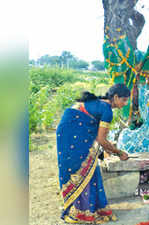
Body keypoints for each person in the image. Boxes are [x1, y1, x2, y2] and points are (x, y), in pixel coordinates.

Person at [56, 83, 130, 224]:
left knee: (90, 167)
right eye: (124, 100)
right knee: (80, 168)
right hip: (72, 134)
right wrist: (119, 152)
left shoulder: (98, 103)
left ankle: (86, 208)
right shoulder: (107, 110)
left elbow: (97, 136)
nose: (125, 104)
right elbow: (101, 139)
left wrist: (110, 149)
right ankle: (79, 211)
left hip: (65, 131)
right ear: (115, 97)